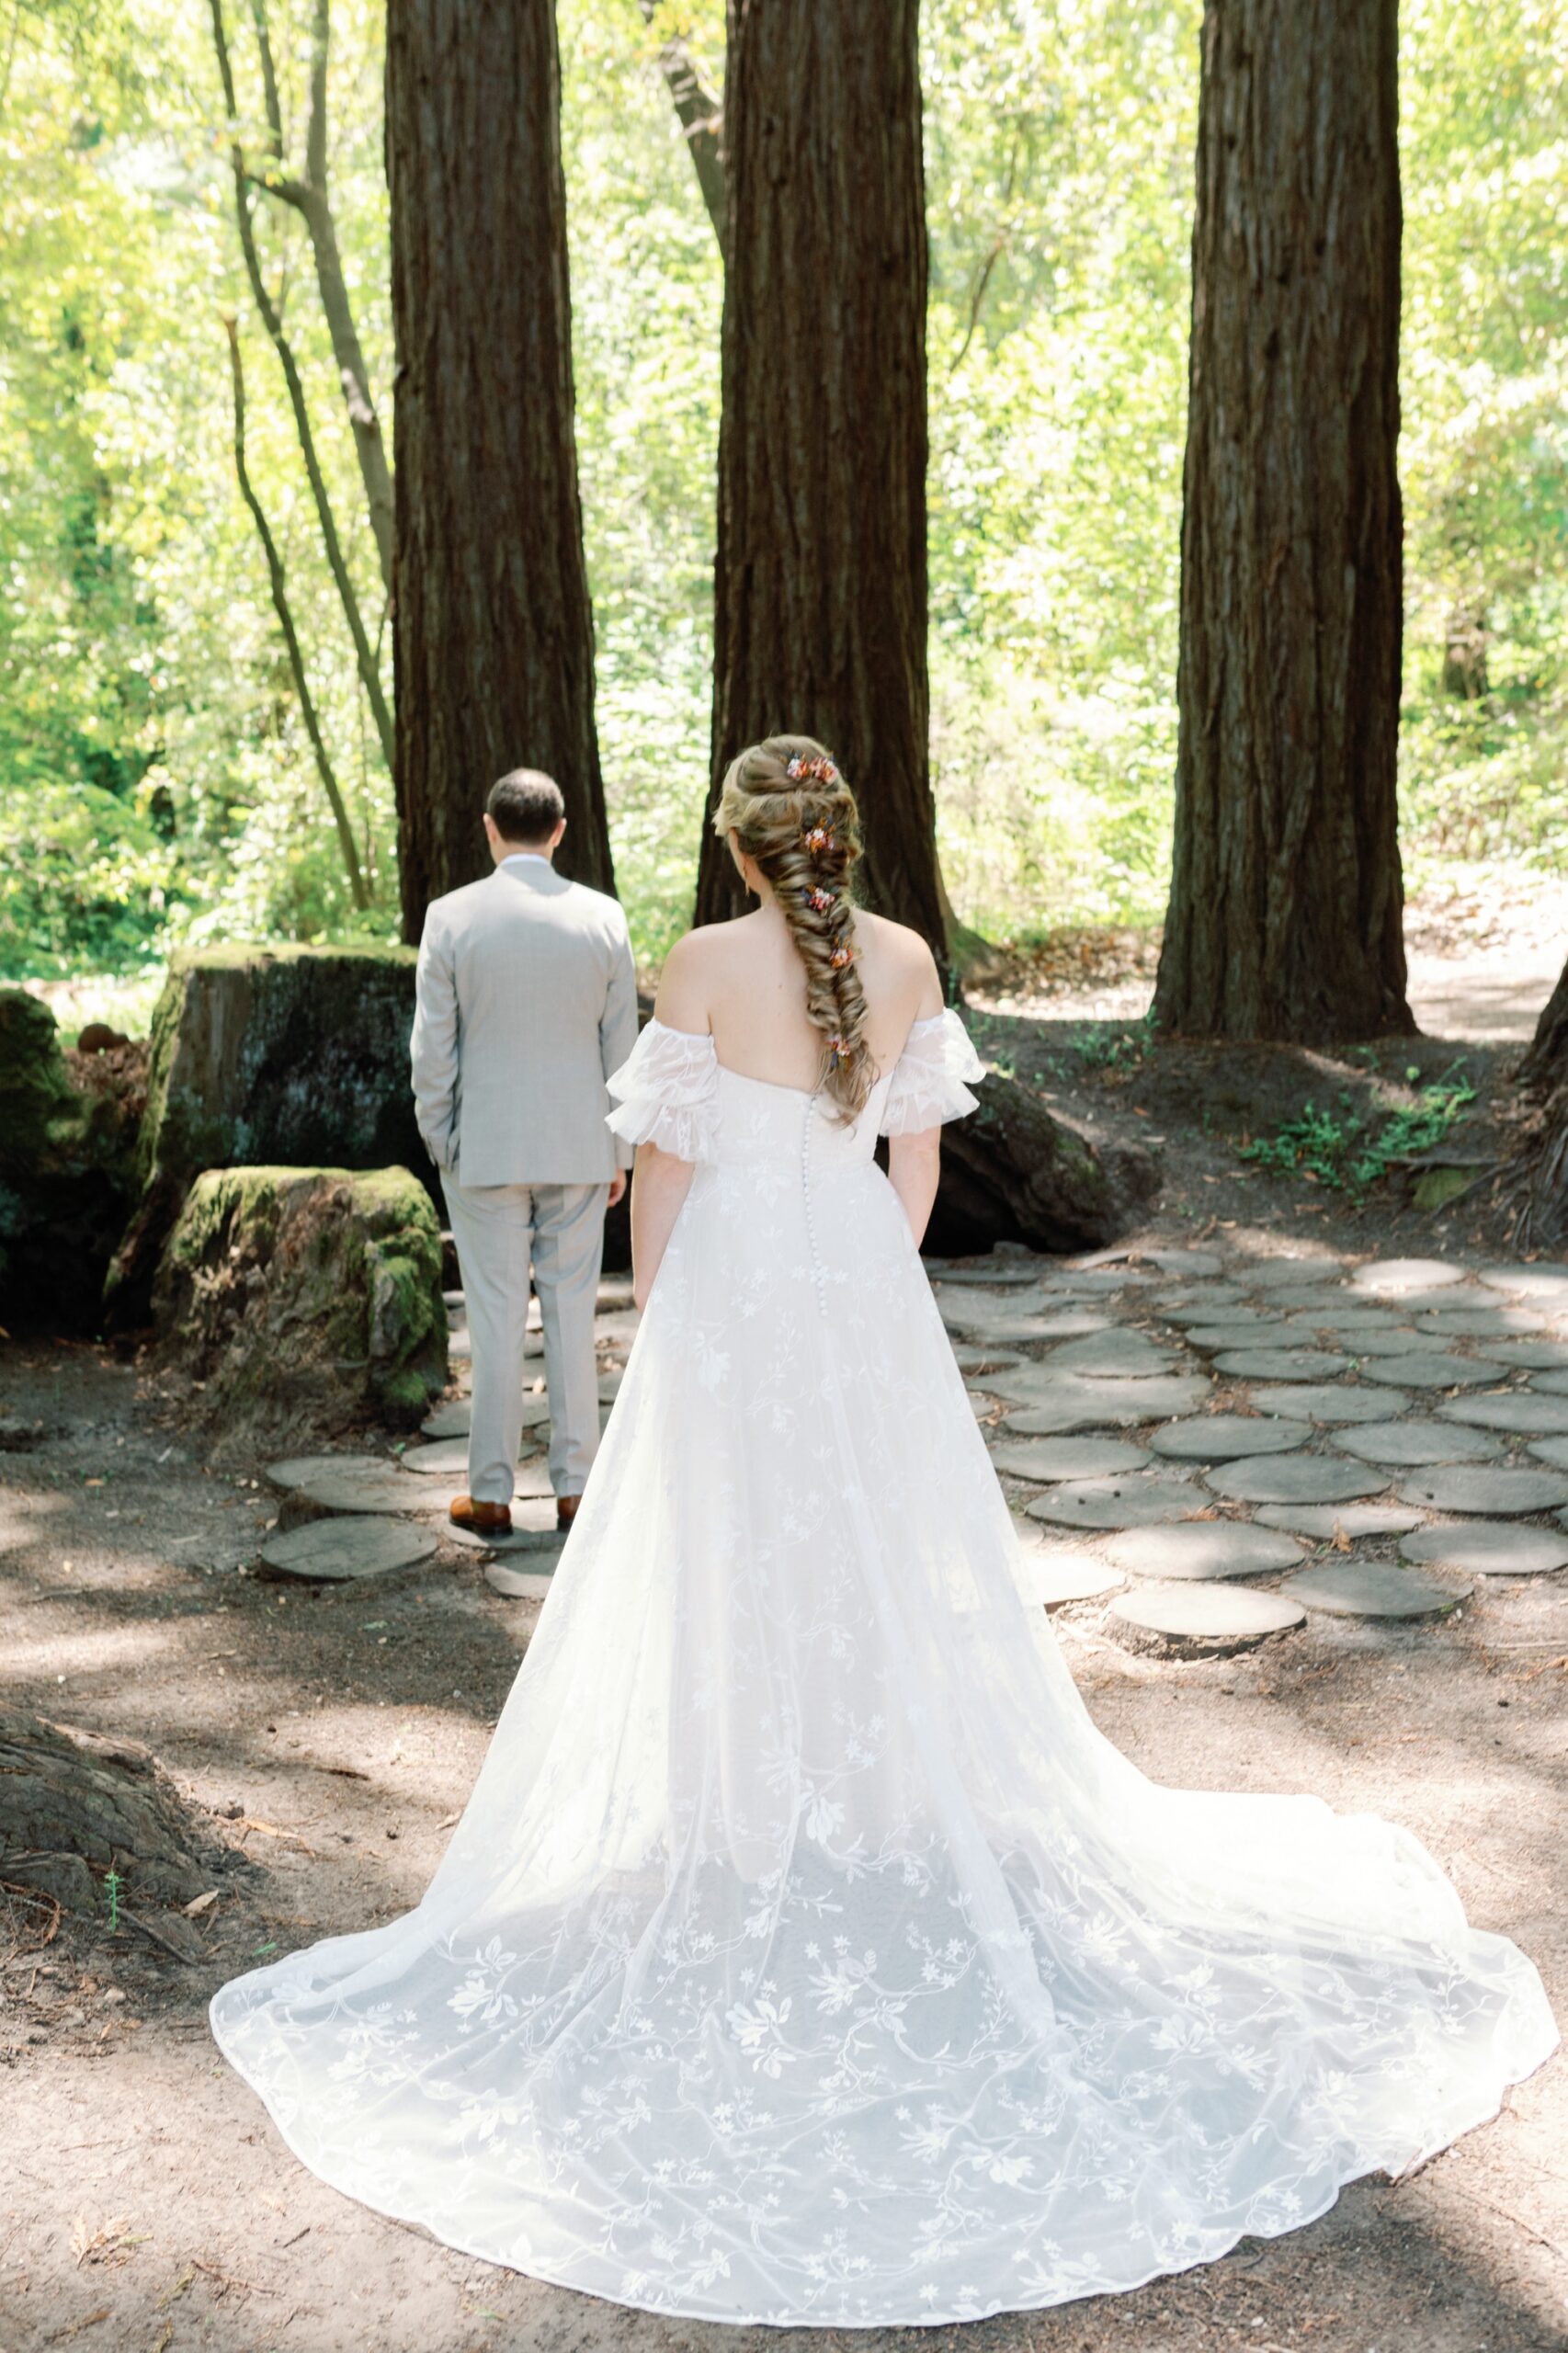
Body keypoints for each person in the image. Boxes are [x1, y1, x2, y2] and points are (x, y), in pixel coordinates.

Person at [212, 736, 1556, 2329]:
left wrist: (667, 1312)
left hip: (733, 1286)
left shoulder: (703, 960)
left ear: (739, 846)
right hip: (857, 1271)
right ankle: (875, 1788)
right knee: (878, 1551)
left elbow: (662, 1175)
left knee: (723, 1553)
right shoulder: (907, 959)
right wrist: (862, 1274)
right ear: (840, 840)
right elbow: (918, 1166)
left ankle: (744, 1800)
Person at [409, 767, 637, 1536]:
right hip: (579, 1144)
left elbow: (433, 1048)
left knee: (495, 1315)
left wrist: (440, 1136)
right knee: (574, 1315)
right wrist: (621, 1149)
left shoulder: (451, 917)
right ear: (561, 831)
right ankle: (578, 1488)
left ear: (490, 828)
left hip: (486, 1146)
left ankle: (493, 1492)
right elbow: (621, 1046)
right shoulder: (603, 918)